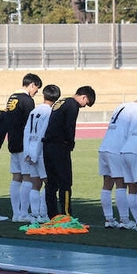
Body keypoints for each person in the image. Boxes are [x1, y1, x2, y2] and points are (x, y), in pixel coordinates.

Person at [98, 93, 137, 229]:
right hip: (118, 148)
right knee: (121, 184)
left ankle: (109, 219)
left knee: (107, 184)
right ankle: (124, 220)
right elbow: (133, 132)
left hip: (105, 146)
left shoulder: (122, 105)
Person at [42, 85, 96, 219]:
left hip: (47, 145)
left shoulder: (60, 102)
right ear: (84, 97)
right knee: (65, 182)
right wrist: (70, 143)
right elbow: (70, 126)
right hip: (59, 146)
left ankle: (52, 215)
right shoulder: (73, 105)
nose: (84, 106)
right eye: (86, 103)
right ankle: (66, 214)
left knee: (51, 183)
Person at [3, 73, 43, 222]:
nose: (36, 92)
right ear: (32, 84)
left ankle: (15, 213)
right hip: (23, 142)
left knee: (16, 177)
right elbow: (30, 124)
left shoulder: (12, 97)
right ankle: (24, 213)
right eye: (36, 88)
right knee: (27, 177)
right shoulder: (27, 100)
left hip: (12, 141)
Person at [20, 84, 60, 223]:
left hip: (30, 149)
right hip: (41, 151)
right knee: (48, 182)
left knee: (35, 183)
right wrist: (36, 153)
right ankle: (43, 213)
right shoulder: (50, 112)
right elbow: (43, 132)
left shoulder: (34, 110)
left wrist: (27, 151)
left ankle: (35, 214)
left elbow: (26, 131)